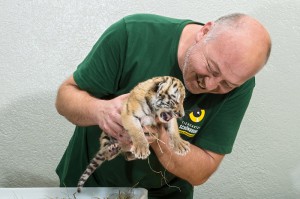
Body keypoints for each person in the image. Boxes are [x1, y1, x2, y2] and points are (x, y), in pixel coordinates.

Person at [55, 13, 271, 199]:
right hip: (90, 184)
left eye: (226, 84)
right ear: (204, 32)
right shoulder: (132, 34)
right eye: (211, 68)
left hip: (165, 193)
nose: (210, 84)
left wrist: (159, 135)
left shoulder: (240, 85)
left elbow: (202, 172)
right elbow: (65, 98)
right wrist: (102, 111)